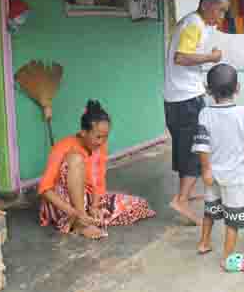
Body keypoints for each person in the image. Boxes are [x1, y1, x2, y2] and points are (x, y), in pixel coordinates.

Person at [38, 100, 156, 239]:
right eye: (98, 136)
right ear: (83, 132)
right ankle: (81, 224)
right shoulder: (63, 146)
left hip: (86, 200)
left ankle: (87, 218)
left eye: (105, 137)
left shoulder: (100, 149)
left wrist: (94, 206)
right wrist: (75, 213)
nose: (101, 142)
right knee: (76, 159)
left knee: (139, 206)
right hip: (61, 205)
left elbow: (98, 182)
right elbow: (44, 189)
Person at [164, 0, 229, 225]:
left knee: (187, 148)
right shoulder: (194, 24)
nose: (221, 17)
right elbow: (181, 57)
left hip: (176, 98)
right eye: (219, 11)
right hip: (186, 100)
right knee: (197, 149)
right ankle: (181, 199)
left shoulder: (190, 23)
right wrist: (211, 58)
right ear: (205, 5)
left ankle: (186, 194)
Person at [192, 63, 244, 272]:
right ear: (238, 88)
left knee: (210, 209)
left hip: (212, 174)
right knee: (233, 219)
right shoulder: (243, 114)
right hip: (235, 178)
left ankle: (204, 243)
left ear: (208, 90)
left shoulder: (204, 114)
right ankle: (227, 256)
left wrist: (206, 169)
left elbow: (202, 144)